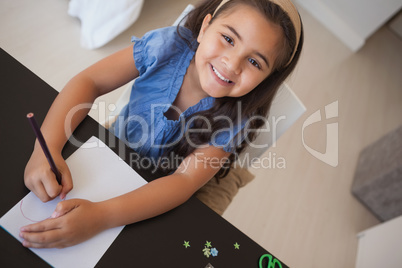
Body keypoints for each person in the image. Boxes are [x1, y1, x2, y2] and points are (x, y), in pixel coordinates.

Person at [21, 0, 303, 248]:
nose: (231, 64)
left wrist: (101, 216)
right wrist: (45, 148)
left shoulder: (238, 118)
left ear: (267, 79)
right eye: (229, 39)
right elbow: (89, 81)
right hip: (115, 147)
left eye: (255, 61)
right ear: (205, 27)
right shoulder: (166, 45)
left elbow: (183, 181)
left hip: (171, 185)